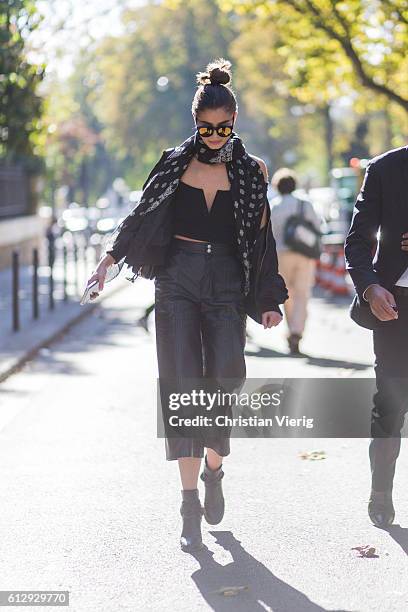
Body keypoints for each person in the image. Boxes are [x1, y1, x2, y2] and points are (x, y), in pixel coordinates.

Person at [85, 58, 288, 552]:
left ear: (234, 123)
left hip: (225, 285)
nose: (215, 136)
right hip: (176, 281)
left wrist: (267, 298)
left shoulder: (251, 171)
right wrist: (108, 259)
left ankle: (215, 468)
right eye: (206, 128)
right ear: (195, 124)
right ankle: (187, 500)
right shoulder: (175, 163)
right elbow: (141, 214)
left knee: (223, 379)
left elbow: (262, 240)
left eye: (223, 128)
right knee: (181, 385)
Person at [344, 144, 408, 528]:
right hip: (395, 306)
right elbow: (357, 240)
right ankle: (381, 492)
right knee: (390, 405)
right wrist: (369, 288)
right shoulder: (385, 168)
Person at [269, 168, 321, 355]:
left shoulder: (273, 205)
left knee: (287, 294)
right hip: (304, 254)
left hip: (280, 255)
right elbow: (317, 226)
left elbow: (270, 234)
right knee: (302, 294)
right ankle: (297, 332)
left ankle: (291, 329)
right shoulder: (304, 204)